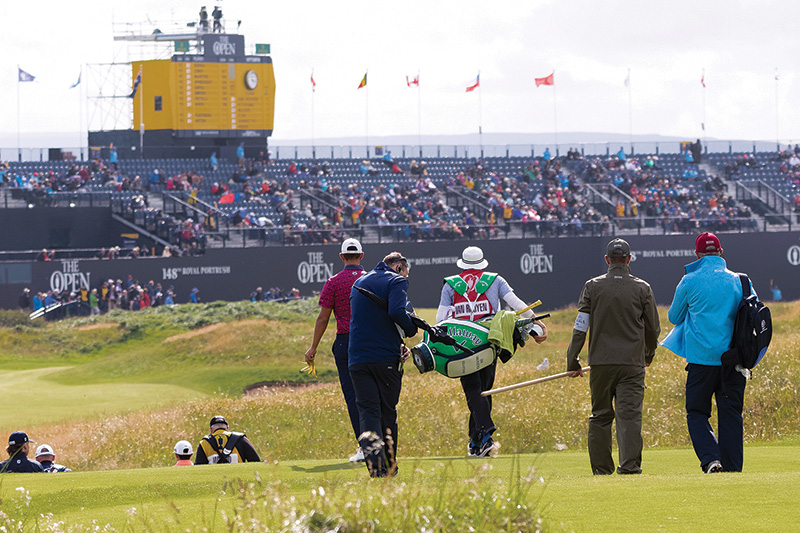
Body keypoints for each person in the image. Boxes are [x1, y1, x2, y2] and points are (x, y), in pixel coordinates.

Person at [436, 246, 548, 457]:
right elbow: (516, 304)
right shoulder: (495, 280)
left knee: (473, 391)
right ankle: (479, 440)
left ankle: (483, 439)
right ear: (482, 263)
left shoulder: (450, 285)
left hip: (462, 344)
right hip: (489, 342)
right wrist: (536, 322)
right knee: (484, 391)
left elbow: (440, 320)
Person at [661, 232, 754, 473]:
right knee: (731, 414)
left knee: (697, 412)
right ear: (721, 252)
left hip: (701, 361)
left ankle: (712, 459)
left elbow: (674, 317)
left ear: (697, 254)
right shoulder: (740, 281)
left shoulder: (689, 281)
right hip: (733, 361)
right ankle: (733, 469)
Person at [566, 239, 660, 475]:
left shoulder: (592, 286)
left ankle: (601, 469)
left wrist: (572, 358)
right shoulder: (642, 288)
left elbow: (580, 327)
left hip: (600, 363)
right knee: (629, 417)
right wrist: (649, 353)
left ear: (607, 260)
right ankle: (629, 466)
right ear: (629, 259)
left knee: (600, 416)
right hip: (632, 363)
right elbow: (653, 329)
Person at [349, 252, 417, 477]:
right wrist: (410, 330)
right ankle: (389, 466)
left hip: (357, 358)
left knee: (368, 412)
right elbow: (397, 311)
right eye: (406, 272)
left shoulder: (359, 281)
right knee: (387, 411)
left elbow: (373, 321)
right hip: (385, 358)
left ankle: (374, 467)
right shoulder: (397, 280)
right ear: (398, 267)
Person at [305, 238, 366, 463]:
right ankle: (381, 443)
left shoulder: (333, 282)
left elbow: (323, 318)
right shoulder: (370, 279)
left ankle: (365, 446)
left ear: (341, 257)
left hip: (345, 342)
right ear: (361, 255)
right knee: (373, 395)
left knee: (353, 397)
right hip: (370, 341)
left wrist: (313, 348)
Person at [195, 416, 261, 464]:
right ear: (227, 428)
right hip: (238, 480)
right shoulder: (241, 439)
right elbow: (256, 462)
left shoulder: (204, 443)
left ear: (211, 429)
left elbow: (199, 467)